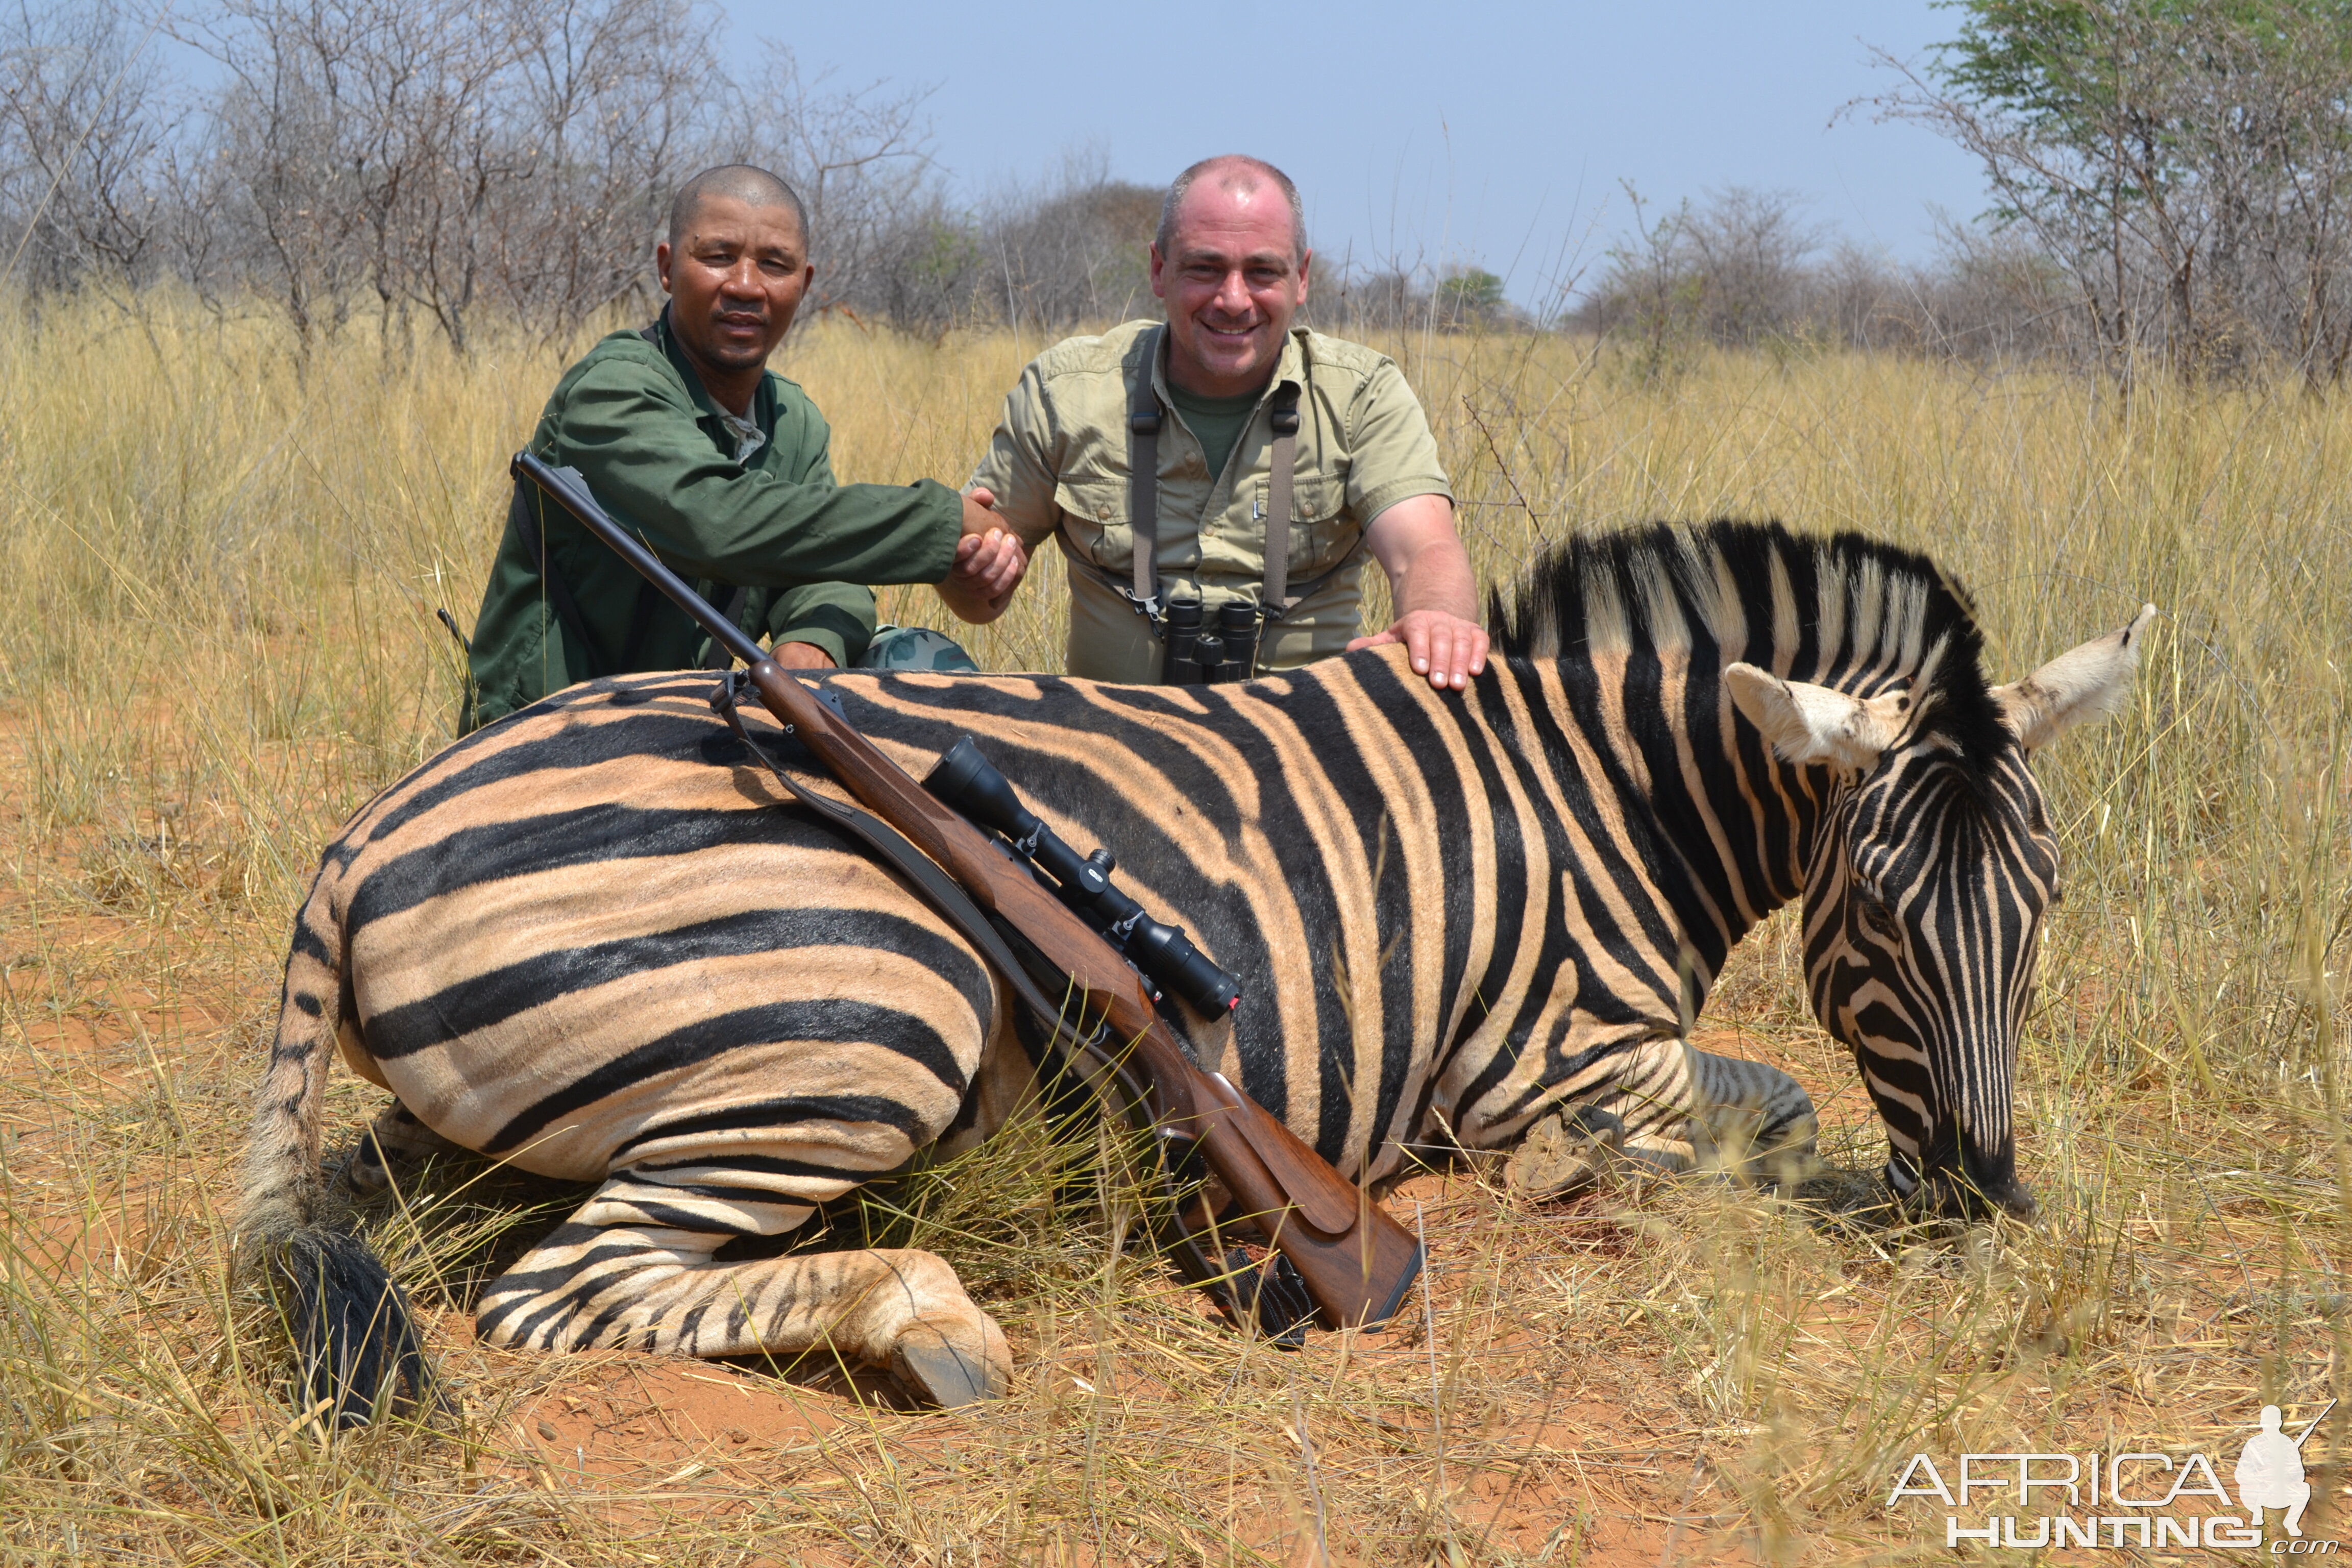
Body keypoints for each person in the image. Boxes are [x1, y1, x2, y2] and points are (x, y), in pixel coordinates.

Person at [463, 164, 1025, 730]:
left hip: (680, 724)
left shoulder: (793, 420)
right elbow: (716, 521)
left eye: (774, 265)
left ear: (803, 286)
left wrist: (812, 643)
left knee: (913, 662)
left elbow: (822, 571)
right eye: (718, 256)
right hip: (549, 729)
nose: (746, 286)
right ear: (666, 268)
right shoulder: (613, 387)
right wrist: (943, 522)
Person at [965, 154, 1487, 690]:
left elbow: (1424, 550)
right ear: (1158, 270)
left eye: (1262, 272)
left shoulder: (1362, 394)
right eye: (1205, 269)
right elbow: (978, 593)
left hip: (1308, 753)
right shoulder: (1065, 390)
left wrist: (1436, 618)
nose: (1233, 300)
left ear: (1301, 278)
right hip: (1109, 746)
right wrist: (970, 567)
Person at [2237, 1404, 2314, 1535]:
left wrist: (2287, 1473)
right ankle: (2257, 1514)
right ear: (2262, 1423)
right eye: (2268, 1422)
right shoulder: (2254, 1443)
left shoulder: (2288, 1443)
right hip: (2257, 1493)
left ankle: (2291, 1522)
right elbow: (2241, 1473)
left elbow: (2299, 1474)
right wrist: (2261, 1478)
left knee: (2305, 1488)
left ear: (2280, 1423)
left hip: (2280, 1493)